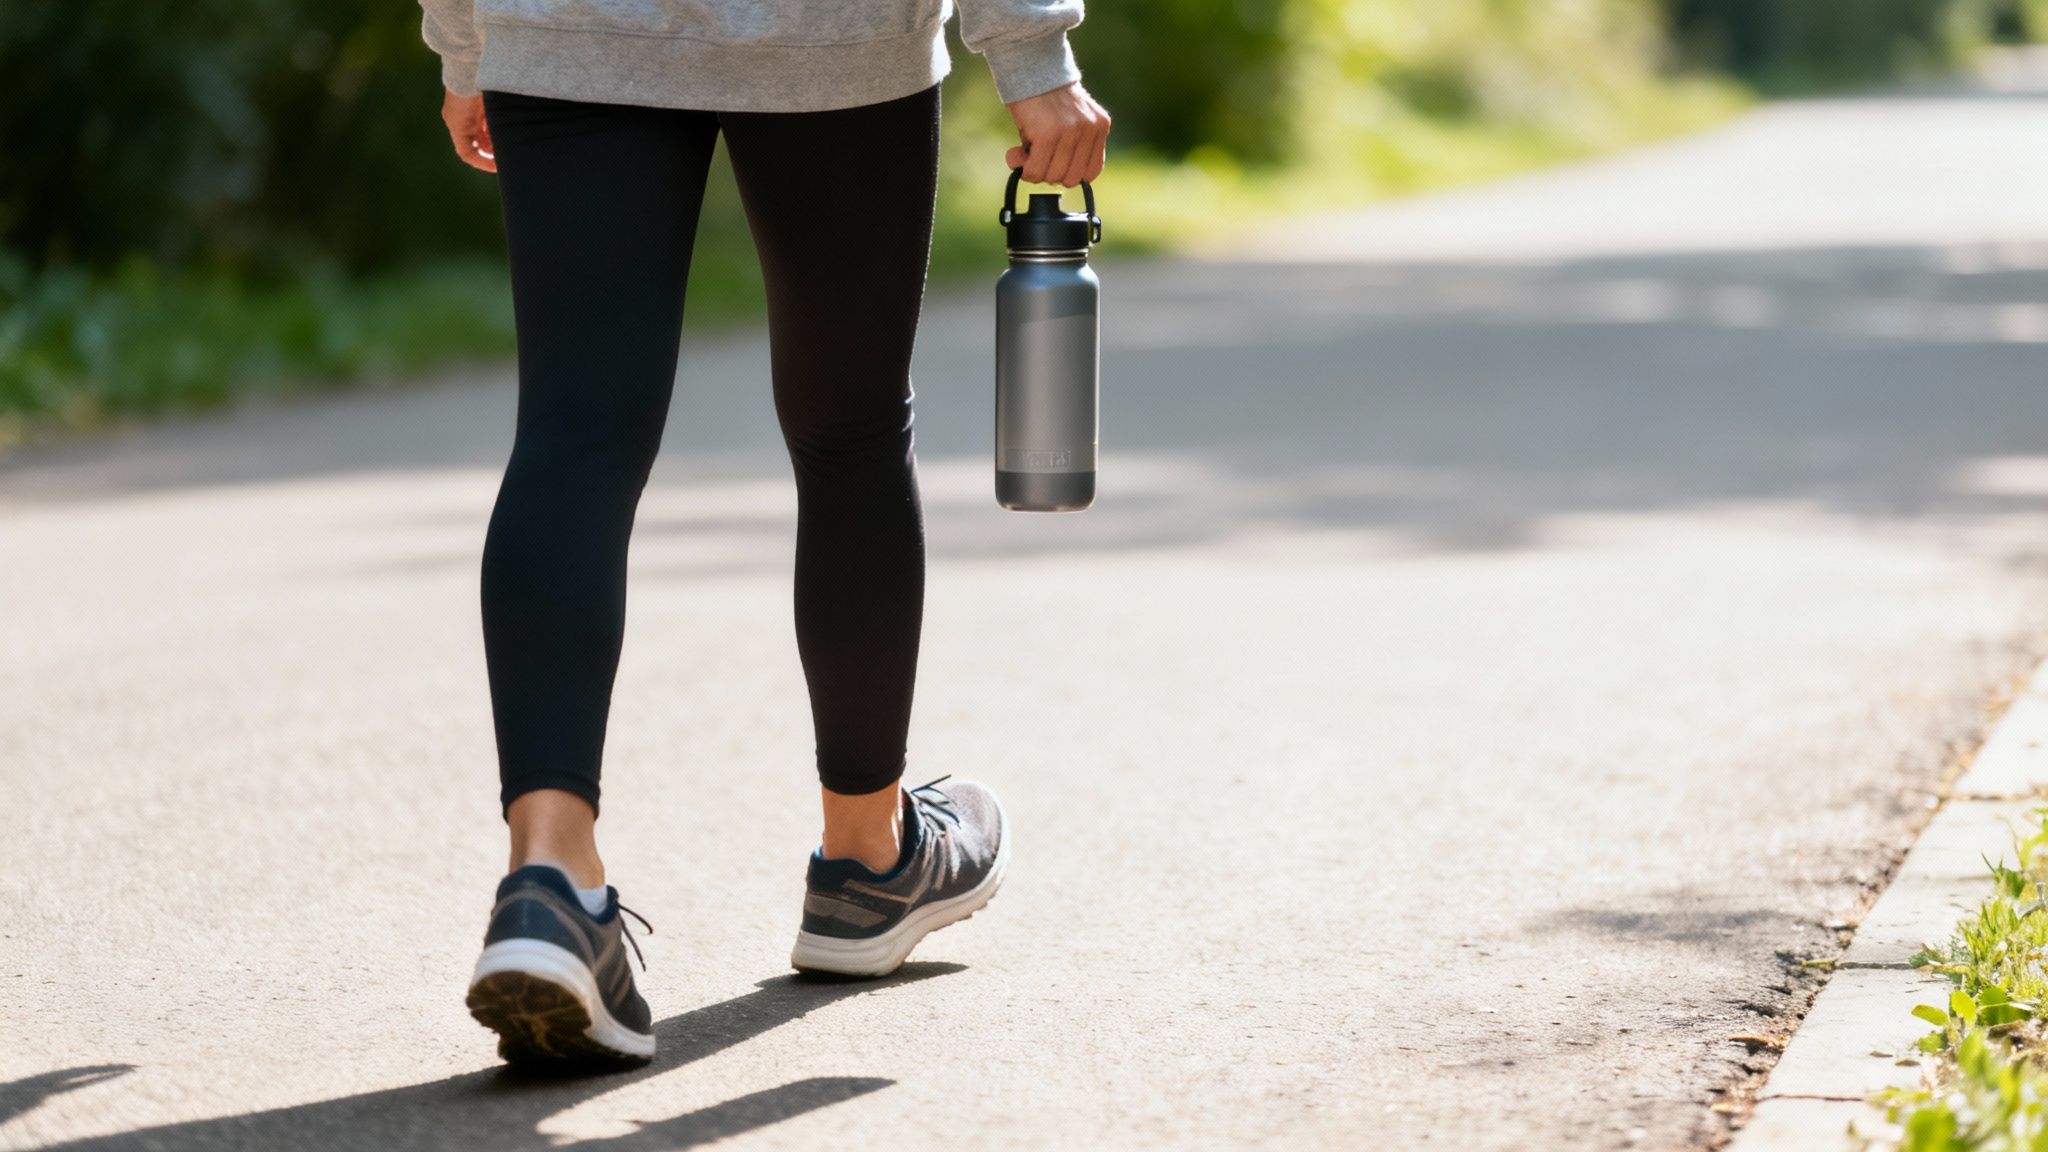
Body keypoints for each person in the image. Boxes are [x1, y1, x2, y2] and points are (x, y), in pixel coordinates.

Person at [413, 0, 1110, 1067]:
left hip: (566, 30)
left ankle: (548, 885)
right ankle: (865, 864)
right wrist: (1031, 50)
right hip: (832, 39)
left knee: (575, 437)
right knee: (850, 436)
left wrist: (467, 36)